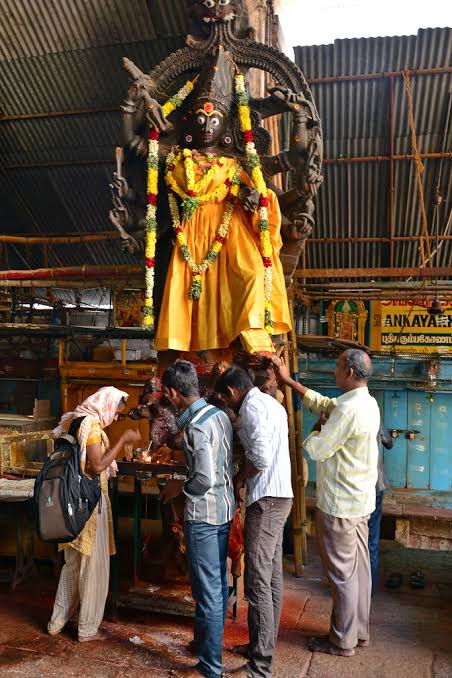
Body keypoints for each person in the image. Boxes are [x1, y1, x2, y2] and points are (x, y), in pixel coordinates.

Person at [273, 349, 380, 657]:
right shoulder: (366, 403)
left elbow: (318, 449)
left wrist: (316, 429)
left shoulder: (348, 412)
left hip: (340, 507)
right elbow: (326, 404)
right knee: (358, 571)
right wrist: (290, 382)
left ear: (348, 372)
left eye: (336, 366)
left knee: (342, 576)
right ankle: (358, 632)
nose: (334, 371)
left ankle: (342, 641)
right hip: (360, 503)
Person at [216, 366, 293, 678]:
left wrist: (238, 477)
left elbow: (259, 459)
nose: (226, 404)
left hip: (267, 500)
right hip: (279, 496)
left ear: (233, 391)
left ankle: (260, 666)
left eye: (224, 398)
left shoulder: (250, 407)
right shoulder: (271, 403)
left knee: (258, 582)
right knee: (271, 578)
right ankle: (262, 647)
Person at [47, 387, 141, 642]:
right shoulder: (93, 426)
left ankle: (57, 622)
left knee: (73, 565)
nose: (117, 418)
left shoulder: (74, 419)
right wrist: (122, 441)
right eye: (117, 413)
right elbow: (96, 465)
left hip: (70, 504)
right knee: (94, 568)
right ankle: (88, 629)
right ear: (107, 404)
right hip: (87, 505)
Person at [160, 360, 235, 678]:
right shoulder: (219, 415)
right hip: (224, 511)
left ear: (172, 392)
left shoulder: (196, 426)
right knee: (216, 587)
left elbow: (203, 478)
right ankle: (207, 651)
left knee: (207, 593)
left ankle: (209, 669)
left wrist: (180, 489)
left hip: (204, 516)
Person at [368, 426, 393, 594]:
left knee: (354, 539)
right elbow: (389, 444)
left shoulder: (343, 411)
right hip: (375, 485)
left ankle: (355, 586)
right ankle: (370, 587)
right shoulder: (375, 415)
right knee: (372, 538)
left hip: (357, 488)